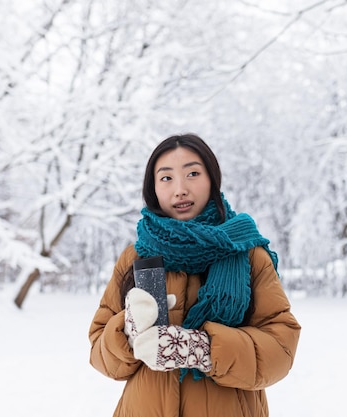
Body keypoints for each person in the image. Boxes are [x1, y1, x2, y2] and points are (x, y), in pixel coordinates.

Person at [88, 133, 301, 417]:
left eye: (192, 173)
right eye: (166, 178)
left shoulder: (248, 254)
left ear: (212, 179)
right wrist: (128, 333)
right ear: (153, 188)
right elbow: (100, 353)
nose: (180, 189)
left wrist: (201, 349)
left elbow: (281, 348)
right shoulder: (135, 257)